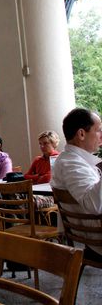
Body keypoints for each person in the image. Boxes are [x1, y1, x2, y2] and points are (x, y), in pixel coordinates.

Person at [51, 108, 102, 258]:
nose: (101, 136)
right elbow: (93, 204)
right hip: (96, 239)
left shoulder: (73, 160)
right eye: (98, 130)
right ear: (81, 134)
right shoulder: (70, 163)